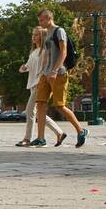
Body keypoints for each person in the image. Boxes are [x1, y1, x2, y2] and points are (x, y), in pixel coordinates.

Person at [33, 9, 88, 148]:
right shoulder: (45, 34)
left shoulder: (59, 31)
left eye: (41, 20)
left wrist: (55, 70)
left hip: (59, 73)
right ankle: (41, 138)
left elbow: (63, 52)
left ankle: (81, 131)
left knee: (59, 105)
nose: (40, 23)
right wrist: (42, 71)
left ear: (48, 18)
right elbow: (46, 53)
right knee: (40, 103)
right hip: (45, 74)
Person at [16, 26, 65, 147]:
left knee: (29, 111)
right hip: (32, 84)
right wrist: (23, 68)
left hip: (39, 83)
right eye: (33, 34)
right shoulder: (34, 52)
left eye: (36, 35)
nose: (33, 37)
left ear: (43, 37)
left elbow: (45, 67)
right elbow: (27, 66)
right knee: (38, 114)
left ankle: (27, 139)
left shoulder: (45, 51)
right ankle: (59, 132)